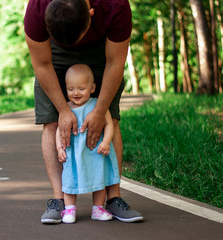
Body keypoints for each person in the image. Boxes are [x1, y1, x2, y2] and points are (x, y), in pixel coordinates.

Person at [24, 0, 143, 223]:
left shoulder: (114, 5)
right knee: (51, 123)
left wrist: (99, 111)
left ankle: (113, 198)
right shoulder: (37, 8)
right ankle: (59, 201)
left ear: (91, 13)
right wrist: (62, 110)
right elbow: (41, 64)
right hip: (54, 54)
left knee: (110, 121)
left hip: (101, 51)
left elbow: (115, 62)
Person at [57, 64, 120, 224]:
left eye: (81, 88)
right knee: (70, 180)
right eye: (70, 89)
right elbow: (59, 130)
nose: (75, 93)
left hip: (94, 152)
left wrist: (106, 142)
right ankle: (69, 209)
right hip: (73, 153)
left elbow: (108, 124)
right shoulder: (66, 108)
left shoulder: (98, 105)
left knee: (99, 179)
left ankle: (97, 209)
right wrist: (59, 148)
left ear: (92, 88)